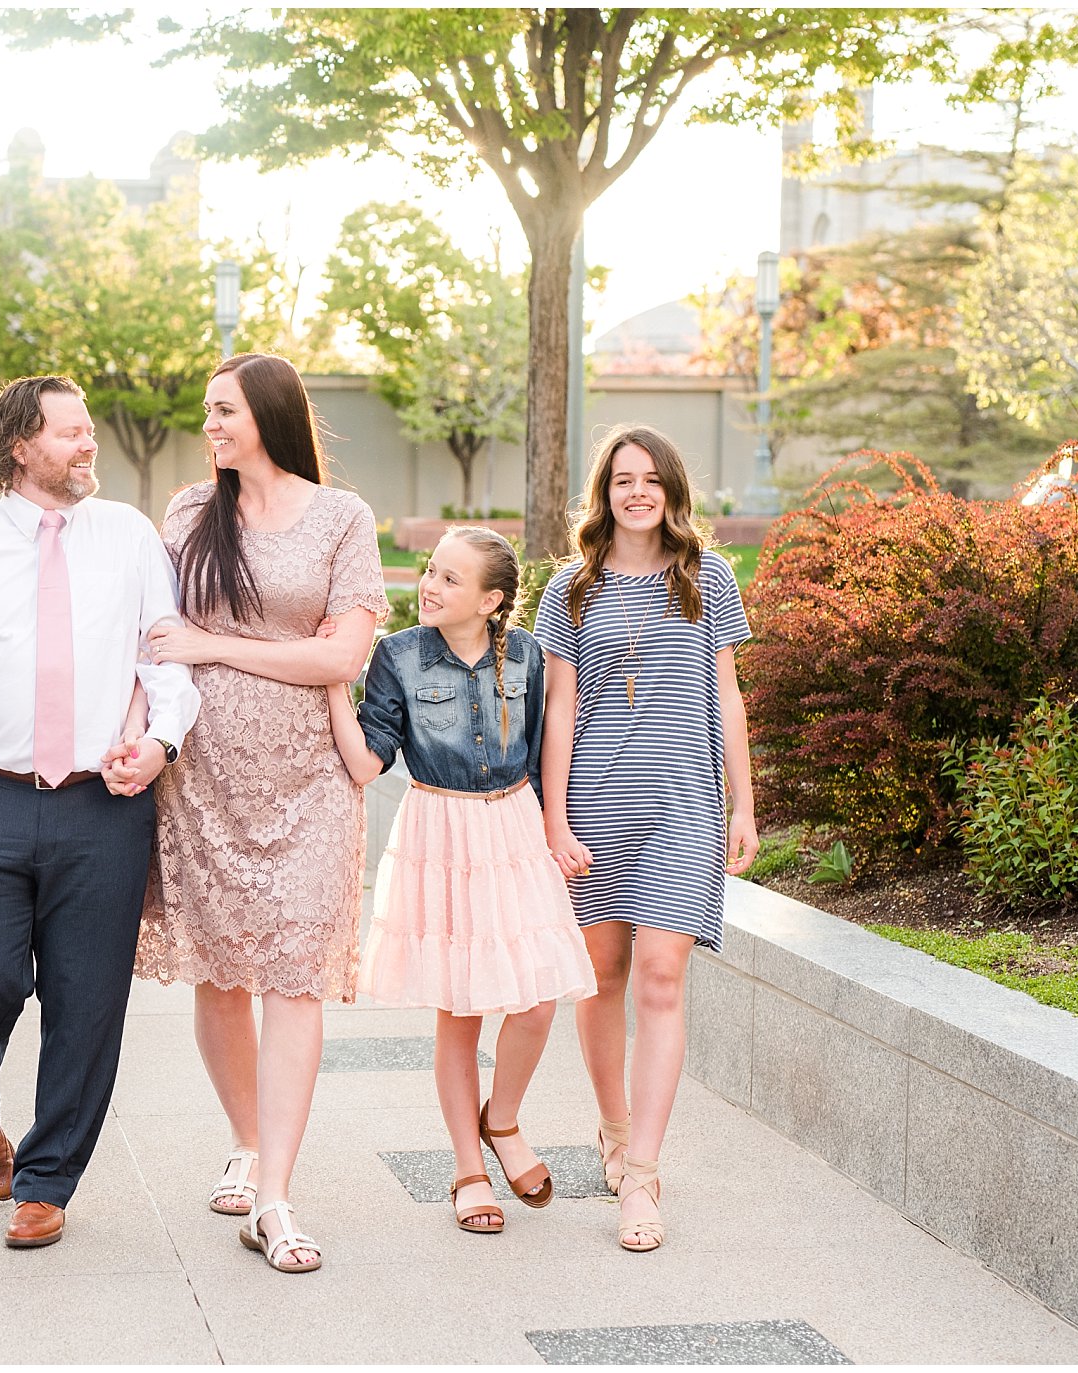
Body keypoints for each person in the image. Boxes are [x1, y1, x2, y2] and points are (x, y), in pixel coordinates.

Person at [0, 375, 199, 1251]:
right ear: (21, 445)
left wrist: (162, 741)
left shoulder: (130, 538)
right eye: (69, 432)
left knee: (86, 1001)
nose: (86, 444)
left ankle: (47, 1178)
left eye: (88, 429)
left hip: (104, 804)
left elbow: (165, 661)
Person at [133, 352, 388, 1274]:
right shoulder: (190, 514)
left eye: (224, 410)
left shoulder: (341, 518)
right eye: (206, 410)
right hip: (202, 778)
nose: (210, 425)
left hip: (312, 780)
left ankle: (275, 1194)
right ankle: (248, 1137)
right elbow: (157, 643)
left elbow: (343, 660)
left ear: (271, 416)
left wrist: (213, 642)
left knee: (294, 977)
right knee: (220, 973)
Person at [323, 527, 599, 1235]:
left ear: (492, 598)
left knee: (537, 1000)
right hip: (439, 833)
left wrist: (557, 827)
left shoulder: (530, 657)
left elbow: (545, 753)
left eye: (450, 578)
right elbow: (365, 763)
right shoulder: (398, 656)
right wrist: (331, 682)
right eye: (430, 571)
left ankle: (500, 1120)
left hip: (512, 831)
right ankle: (467, 1166)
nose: (430, 586)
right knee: (461, 1007)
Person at [530, 424, 758, 1253]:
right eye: (622, 479)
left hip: (683, 806)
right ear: (605, 493)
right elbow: (559, 709)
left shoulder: (707, 576)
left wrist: (744, 802)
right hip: (595, 806)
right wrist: (554, 818)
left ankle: (644, 1174)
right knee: (601, 976)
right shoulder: (570, 589)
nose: (636, 492)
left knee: (660, 977)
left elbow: (728, 696)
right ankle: (614, 1126)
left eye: (650, 478)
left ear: (671, 490)